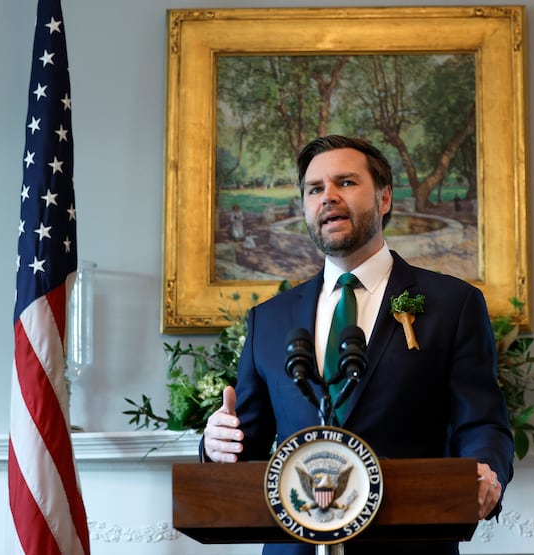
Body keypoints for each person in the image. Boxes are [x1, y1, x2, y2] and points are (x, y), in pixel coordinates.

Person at [202, 135, 514, 555]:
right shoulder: (269, 320)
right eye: (315, 189)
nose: (327, 197)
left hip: (409, 545)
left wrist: (486, 473)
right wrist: (216, 444)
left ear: (384, 199)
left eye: (345, 183)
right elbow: (248, 444)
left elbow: (482, 423)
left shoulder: (452, 304)